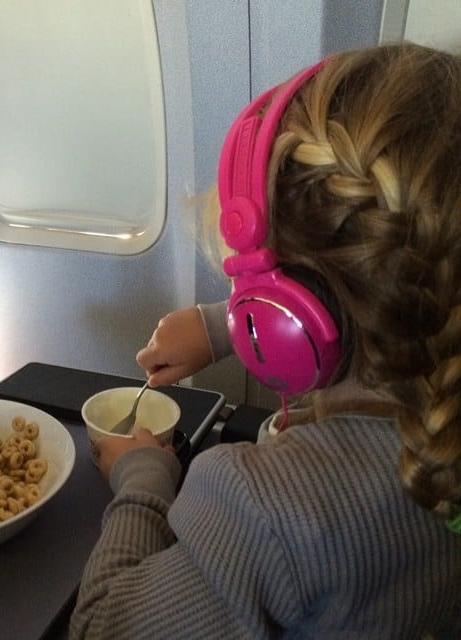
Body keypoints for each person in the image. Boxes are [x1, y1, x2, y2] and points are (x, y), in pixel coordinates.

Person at [69, 43, 461, 639]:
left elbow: (101, 627)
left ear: (284, 319)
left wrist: (143, 479)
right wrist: (222, 326)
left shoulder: (268, 511)